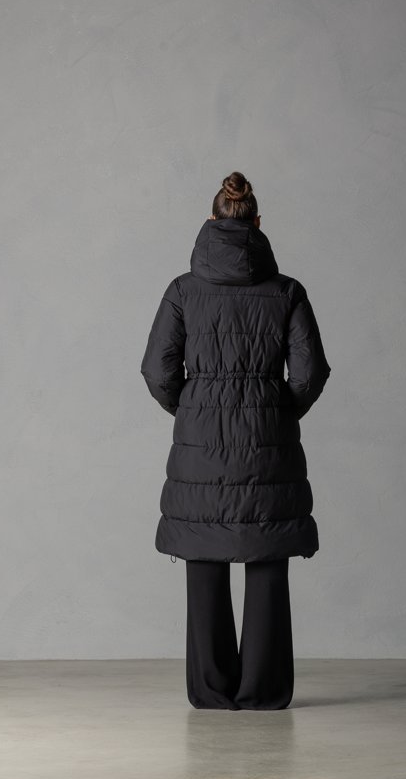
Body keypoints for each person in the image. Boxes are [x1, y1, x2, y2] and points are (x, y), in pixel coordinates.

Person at [140, 172, 331, 711]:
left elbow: (157, 370)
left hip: (200, 438)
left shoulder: (183, 290)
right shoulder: (287, 291)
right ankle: (263, 691)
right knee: (267, 555)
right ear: (258, 223)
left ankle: (211, 689)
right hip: (267, 439)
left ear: (211, 220)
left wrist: (192, 410)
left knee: (204, 553)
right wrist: (276, 412)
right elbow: (310, 373)